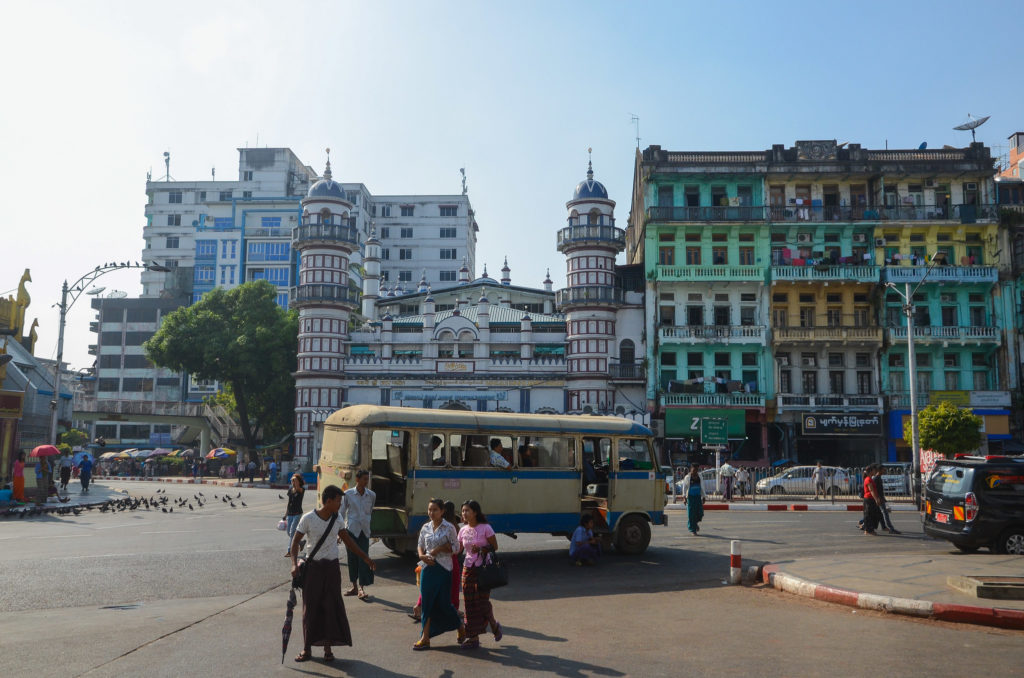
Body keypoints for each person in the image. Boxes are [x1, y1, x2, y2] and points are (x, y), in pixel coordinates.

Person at [290, 485, 375, 664]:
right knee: (310, 609)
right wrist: (293, 564)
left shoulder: (337, 520)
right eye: (338, 501)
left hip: (332, 570)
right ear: (328, 501)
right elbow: (295, 542)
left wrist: (366, 558)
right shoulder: (308, 518)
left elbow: (349, 542)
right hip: (313, 569)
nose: (340, 504)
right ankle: (307, 648)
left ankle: (328, 649)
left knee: (330, 608)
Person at [413, 498, 466, 650]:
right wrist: (421, 555)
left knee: (443, 604)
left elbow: (456, 548)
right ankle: (425, 637)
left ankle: (459, 625)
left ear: (442, 511)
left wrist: (441, 548)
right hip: (427, 568)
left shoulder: (449, 527)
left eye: (435, 510)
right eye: (430, 510)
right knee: (427, 603)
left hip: (444, 569)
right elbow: (420, 545)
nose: (431, 513)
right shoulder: (425, 527)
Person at [458, 500, 502, 650]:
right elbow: (458, 550)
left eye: (467, 511)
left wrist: (482, 549)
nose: (464, 513)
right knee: (469, 603)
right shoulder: (462, 530)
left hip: (482, 569)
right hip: (467, 568)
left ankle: (494, 625)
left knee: (482, 603)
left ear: (475, 512)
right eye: (463, 511)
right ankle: (473, 637)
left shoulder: (486, 528)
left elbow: (494, 546)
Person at [341, 469, 376, 599]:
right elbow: (342, 513)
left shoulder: (371, 495)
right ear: (357, 479)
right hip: (351, 530)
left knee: (364, 558)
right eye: (364, 479)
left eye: (367, 479)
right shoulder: (348, 494)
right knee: (352, 559)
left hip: (364, 531)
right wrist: (340, 532)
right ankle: (354, 586)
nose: (366, 482)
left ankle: (361, 587)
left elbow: (370, 512)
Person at [873, 466, 900, 534]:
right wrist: (878, 498)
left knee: (878, 513)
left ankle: (883, 527)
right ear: (879, 470)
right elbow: (875, 490)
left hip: (880, 498)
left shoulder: (878, 478)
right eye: (883, 470)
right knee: (884, 513)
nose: (884, 471)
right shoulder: (876, 478)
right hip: (879, 499)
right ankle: (891, 528)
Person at [284, 474, 306, 556]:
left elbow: (298, 488)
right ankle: (301, 542)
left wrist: (296, 481)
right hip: (290, 513)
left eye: (295, 480)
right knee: (289, 532)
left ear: (299, 481)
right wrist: (285, 514)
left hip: (297, 513)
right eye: (292, 480)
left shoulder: (301, 489)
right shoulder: (290, 489)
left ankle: (290, 551)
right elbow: (289, 503)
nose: (293, 482)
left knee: (292, 531)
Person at [681, 465, 706, 535]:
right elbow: (684, 488)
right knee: (691, 514)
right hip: (690, 497)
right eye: (693, 470)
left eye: (696, 470)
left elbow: (702, 487)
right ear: (691, 469)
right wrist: (684, 498)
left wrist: (704, 497)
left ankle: (695, 523)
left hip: (698, 497)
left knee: (700, 513)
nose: (695, 472)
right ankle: (693, 529)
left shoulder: (700, 476)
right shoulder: (687, 477)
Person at [861, 464, 884, 535]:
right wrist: (876, 499)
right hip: (869, 499)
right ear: (871, 471)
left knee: (873, 515)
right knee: (869, 515)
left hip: (871, 499)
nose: (875, 471)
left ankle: (869, 529)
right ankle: (868, 530)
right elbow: (871, 490)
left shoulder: (870, 479)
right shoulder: (868, 479)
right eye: (874, 470)